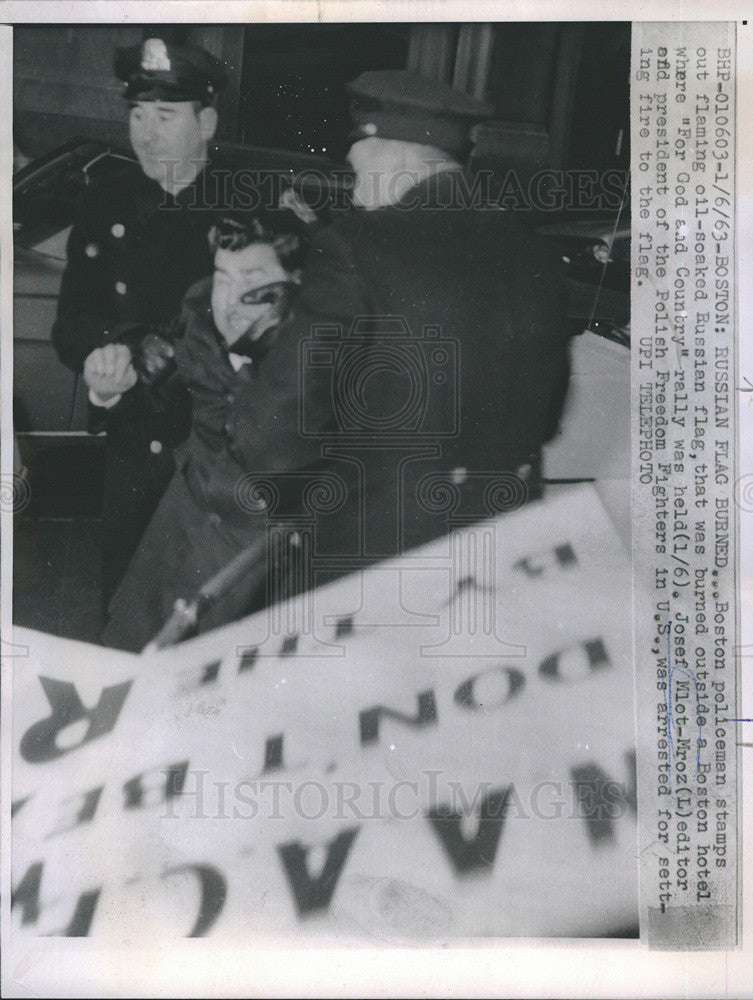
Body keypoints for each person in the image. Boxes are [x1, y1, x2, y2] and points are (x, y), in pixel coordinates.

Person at [101, 69, 572, 652]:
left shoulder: (357, 247)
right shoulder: (536, 255)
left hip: (369, 574)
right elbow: (546, 416)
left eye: (358, 170)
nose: (354, 190)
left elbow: (273, 442)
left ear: (387, 155)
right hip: (496, 561)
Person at [51, 35, 228, 605]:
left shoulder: (251, 206)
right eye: (136, 114)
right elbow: (74, 317)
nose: (145, 133)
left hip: (216, 451)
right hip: (135, 447)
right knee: (126, 602)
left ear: (207, 124)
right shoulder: (105, 200)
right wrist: (106, 357)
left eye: (166, 116)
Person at [101, 212, 311, 651]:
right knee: (128, 650)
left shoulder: (316, 353)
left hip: (261, 554)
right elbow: (155, 380)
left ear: (295, 281)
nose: (229, 299)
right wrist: (111, 386)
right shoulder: (199, 317)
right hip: (183, 527)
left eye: (252, 278)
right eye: (222, 277)